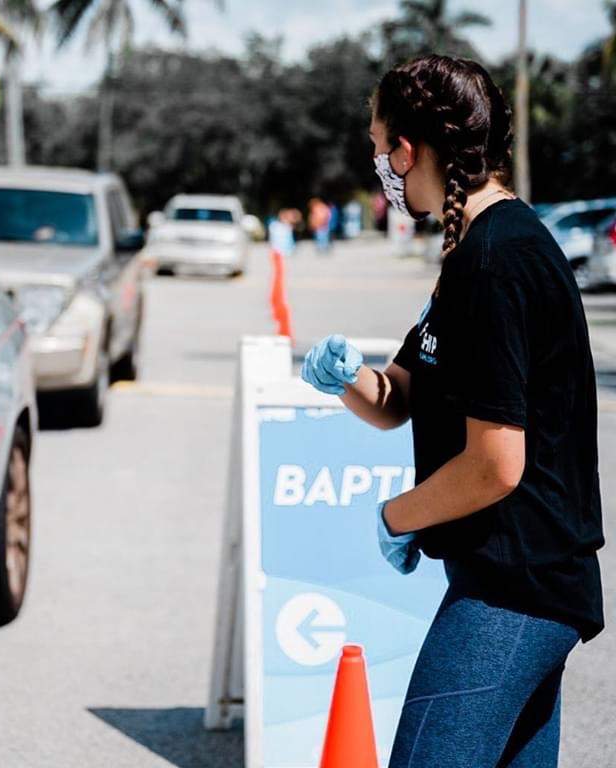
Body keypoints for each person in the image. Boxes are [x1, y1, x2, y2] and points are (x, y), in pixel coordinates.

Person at [301, 55, 603, 768]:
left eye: (379, 150)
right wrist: (347, 380)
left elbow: (496, 466)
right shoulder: (468, 253)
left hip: (518, 589)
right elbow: (398, 395)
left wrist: (394, 517)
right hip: (510, 584)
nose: (379, 167)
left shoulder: (502, 259)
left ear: (408, 151)